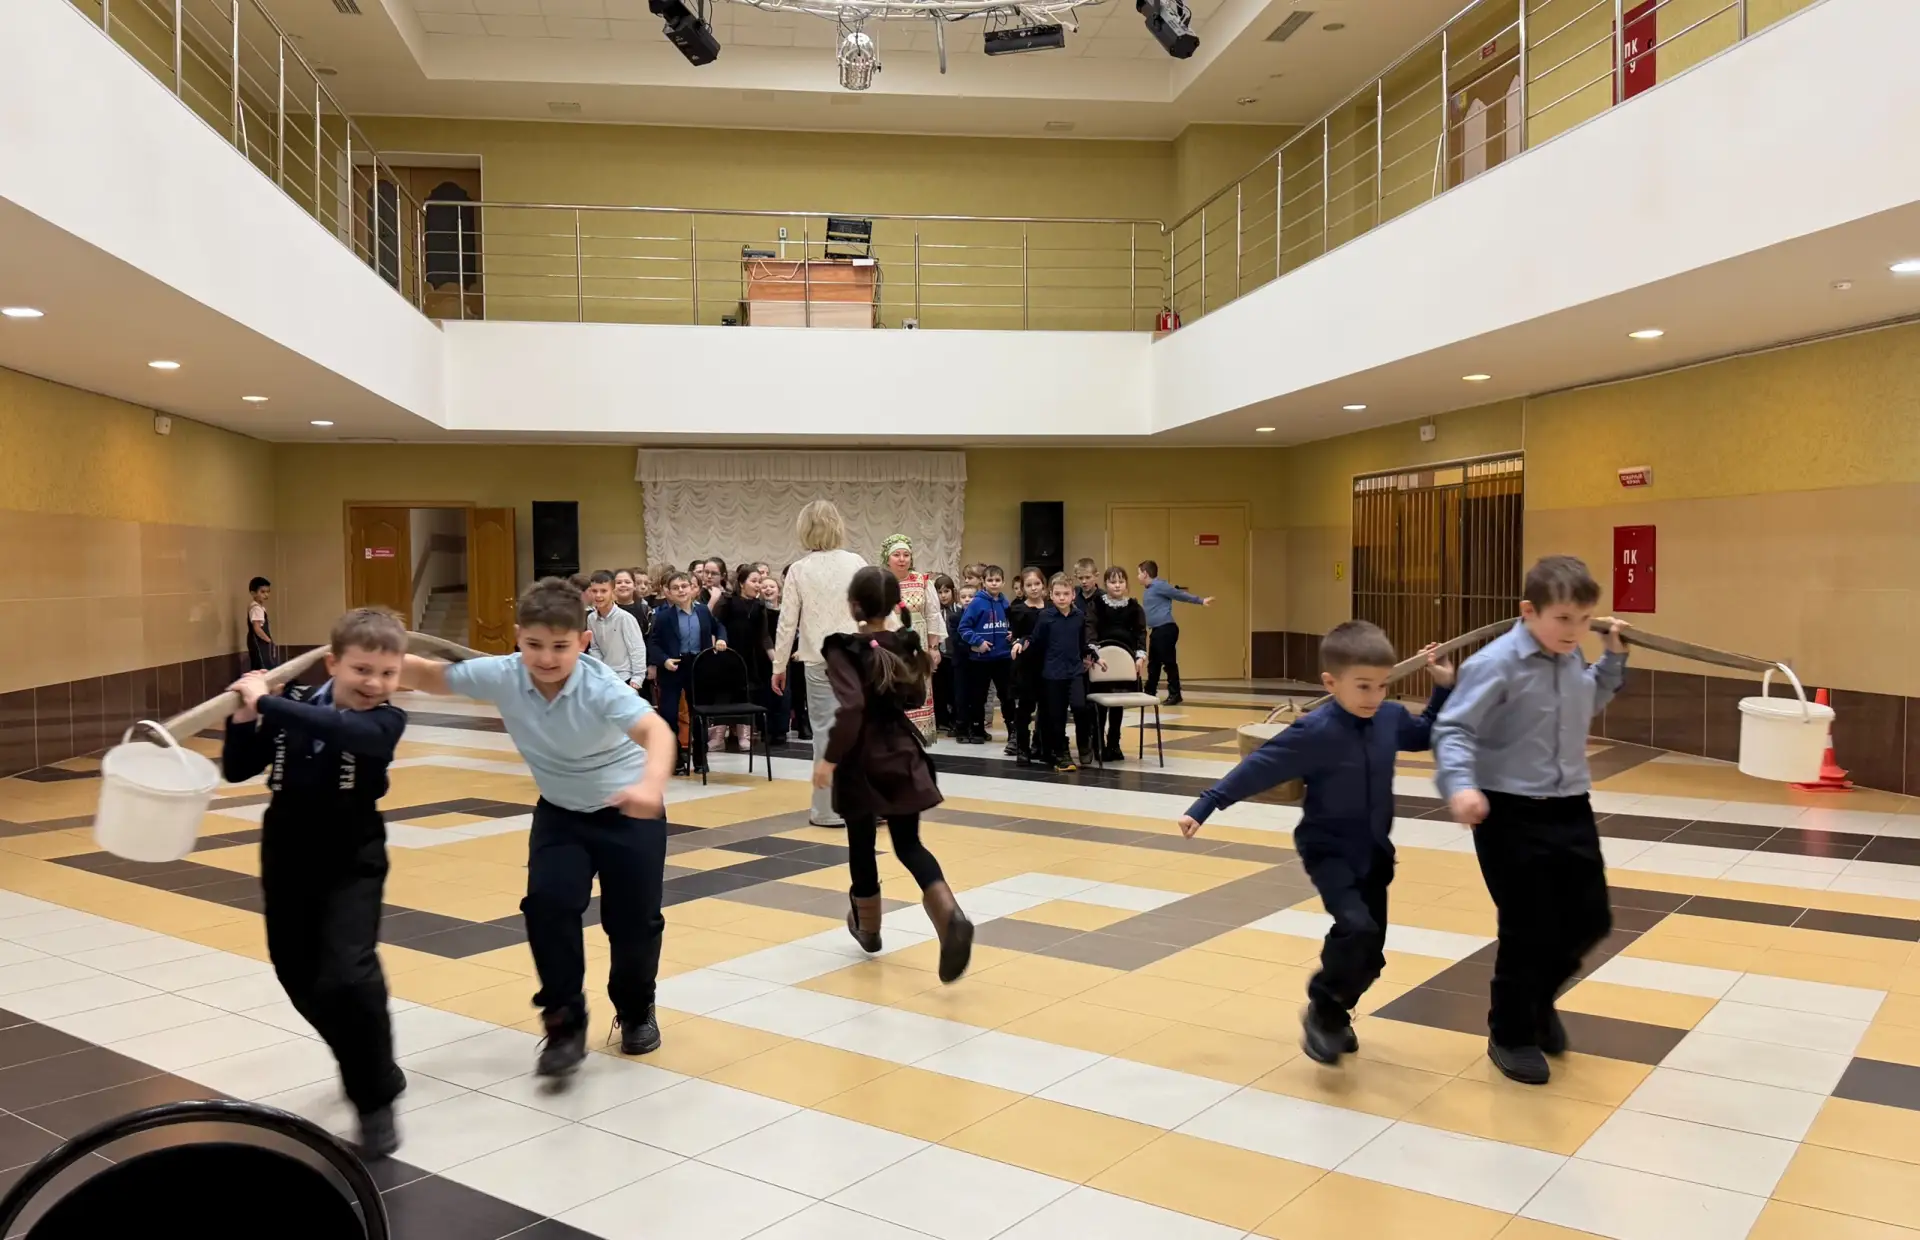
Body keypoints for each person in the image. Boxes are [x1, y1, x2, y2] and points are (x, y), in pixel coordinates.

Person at [402, 578, 676, 1076]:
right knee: (548, 908)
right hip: (561, 814)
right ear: (517, 638)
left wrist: (649, 786)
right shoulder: (504, 674)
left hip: (630, 811)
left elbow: (656, 732)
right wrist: (363, 659)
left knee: (634, 923)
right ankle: (564, 1024)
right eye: (534, 645)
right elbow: (429, 676)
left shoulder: (600, 686)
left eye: (559, 646)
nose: (546, 658)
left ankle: (637, 1009)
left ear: (583, 642)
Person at [1180, 621, 1454, 1064]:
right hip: (1328, 850)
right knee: (1357, 928)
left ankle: (1334, 1012)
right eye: (1363, 686)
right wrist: (1207, 803)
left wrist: (1442, 689)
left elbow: (1423, 734)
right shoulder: (1316, 730)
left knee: (1370, 955)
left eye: (1382, 686)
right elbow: (1260, 766)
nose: (1374, 696)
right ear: (1331, 683)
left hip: (1374, 853)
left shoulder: (1387, 717)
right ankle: (1323, 1009)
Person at [222, 607, 410, 1157]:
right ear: (333, 664)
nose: (374, 683)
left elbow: (344, 730)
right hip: (286, 847)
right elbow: (238, 768)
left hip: (352, 850)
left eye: (388, 673)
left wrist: (267, 700)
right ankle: (369, 1063)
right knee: (298, 974)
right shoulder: (295, 701)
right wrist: (244, 715)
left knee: (350, 974)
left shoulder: (386, 721)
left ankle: (373, 1099)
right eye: (362, 670)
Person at [1434, 555, 1628, 1086]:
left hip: (1569, 804)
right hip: (1507, 809)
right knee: (1528, 926)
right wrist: (1461, 785)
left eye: (1583, 620)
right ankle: (1511, 1032)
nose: (1574, 630)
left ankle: (1536, 1000)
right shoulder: (1494, 664)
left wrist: (1612, 660)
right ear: (1528, 611)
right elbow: (1453, 729)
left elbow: (1587, 700)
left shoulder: (1570, 655)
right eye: (1562, 618)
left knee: (1591, 918)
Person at [817, 567, 973, 983]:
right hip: (902, 752)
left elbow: (852, 708)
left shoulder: (844, 648)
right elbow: (916, 697)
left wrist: (829, 758)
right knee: (908, 844)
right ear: (892, 605)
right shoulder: (906, 642)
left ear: (854, 605)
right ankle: (950, 915)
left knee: (861, 843)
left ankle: (869, 929)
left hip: (861, 759)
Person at [770, 500, 867, 827]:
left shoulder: (799, 569)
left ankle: (826, 809)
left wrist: (779, 666)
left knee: (826, 732)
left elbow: (787, 623)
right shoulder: (856, 562)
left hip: (818, 659)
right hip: (856, 659)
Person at [649, 571, 725, 776]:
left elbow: (719, 627)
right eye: (675, 588)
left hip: (698, 665)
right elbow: (653, 644)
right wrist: (664, 660)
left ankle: (700, 757)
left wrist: (720, 639)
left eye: (684, 586)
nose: (681, 591)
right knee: (669, 714)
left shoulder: (703, 611)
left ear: (692, 589)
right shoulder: (663, 616)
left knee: (698, 713)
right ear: (668, 592)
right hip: (673, 667)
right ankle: (676, 759)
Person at [1023, 574, 1097, 771]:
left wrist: (1093, 656)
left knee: (1080, 706)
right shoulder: (1045, 617)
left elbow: (1082, 643)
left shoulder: (1079, 616)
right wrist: (1022, 643)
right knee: (1057, 714)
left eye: (1066, 594)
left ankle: (1084, 742)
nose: (1062, 597)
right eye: (1057, 594)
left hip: (1074, 671)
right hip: (1053, 673)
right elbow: (1036, 641)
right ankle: (1061, 751)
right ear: (1051, 595)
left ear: (1073, 595)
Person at [880, 534, 947, 743]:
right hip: (889, 643)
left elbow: (933, 615)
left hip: (917, 644)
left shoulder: (922, 581)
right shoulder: (880, 581)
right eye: (897, 555)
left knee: (916, 686)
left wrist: (934, 647)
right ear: (887, 558)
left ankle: (916, 737)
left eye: (906, 555)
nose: (902, 559)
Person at [1085, 565, 1148, 762]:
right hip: (1102, 660)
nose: (1117, 585)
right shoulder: (1097, 605)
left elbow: (1140, 633)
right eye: (1113, 582)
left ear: (1127, 584)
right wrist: (1093, 651)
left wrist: (1140, 656)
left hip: (1124, 661)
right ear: (1106, 584)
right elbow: (1090, 629)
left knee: (1117, 703)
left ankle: (1114, 743)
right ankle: (1098, 743)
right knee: (1101, 704)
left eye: (1121, 581)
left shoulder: (1134, 607)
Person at [1138, 560, 1213, 706]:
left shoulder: (1160, 585)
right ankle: (1150, 692)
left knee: (1168, 662)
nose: (1138, 576)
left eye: (1139, 573)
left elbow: (1179, 594)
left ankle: (1175, 693)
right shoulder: (1149, 589)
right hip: (1157, 630)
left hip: (1166, 629)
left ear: (1145, 573)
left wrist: (1201, 601)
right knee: (1154, 663)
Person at [714, 563, 771, 752]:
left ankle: (744, 734)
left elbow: (764, 635)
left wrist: (775, 658)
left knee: (746, 694)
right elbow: (717, 624)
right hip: (728, 654)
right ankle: (719, 735)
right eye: (754, 581)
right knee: (724, 694)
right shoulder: (728, 601)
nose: (758, 585)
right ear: (741, 583)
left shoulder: (759, 605)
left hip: (750, 656)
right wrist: (719, 641)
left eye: (759, 581)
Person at [956, 566, 1014, 746]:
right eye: (990, 580)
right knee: (978, 697)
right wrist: (978, 642)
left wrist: (1012, 633)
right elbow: (963, 628)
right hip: (980, 660)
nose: (994, 583)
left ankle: (1013, 732)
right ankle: (977, 730)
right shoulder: (976, 603)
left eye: (997, 580)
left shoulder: (1006, 603)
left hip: (1003, 658)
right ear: (984, 582)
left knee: (1007, 696)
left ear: (1003, 582)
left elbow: (1012, 624)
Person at [1004, 568, 1048, 764]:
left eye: (1037, 584)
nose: (1034, 588)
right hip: (1026, 664)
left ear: (1043, 585)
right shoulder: (1017, 610)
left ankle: (1040, 744)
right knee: (1025, 707)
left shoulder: (1051, 609)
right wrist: (1018, 642)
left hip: (1046, 662)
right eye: (1029, 585)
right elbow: (1015, 635)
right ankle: (1022, 747)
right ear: (1022, 588)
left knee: (1045, 707)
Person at [585, 571, 647, 695]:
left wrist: (637, 679)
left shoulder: (625, 618)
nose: (598, 595)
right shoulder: (591, 618)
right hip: (605, 678)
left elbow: (637, 649)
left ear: (613, 593)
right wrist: (600, 672)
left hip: (626, 678)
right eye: (594, 591)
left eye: (603, 591)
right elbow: (595, 648)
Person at [931, 574, 960, 735]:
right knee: (939, 689)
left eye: (946, 591)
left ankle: (956, 720)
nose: (943, 596)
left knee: (955, 689)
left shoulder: (960, 610)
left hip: (955, 655)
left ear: (952, 592)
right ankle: (941, 720)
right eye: (939, 592)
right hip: (940, 656)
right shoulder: (934, 613)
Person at [246, 576, 278, 671]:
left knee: (261, 665)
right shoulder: (256, 608)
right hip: (259, 642)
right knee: (262, 666)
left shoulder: (259, 608)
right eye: (262, 592)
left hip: (258, 641)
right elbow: (257, 628)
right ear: (253, 593)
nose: (266, 595)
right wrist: (268, 640)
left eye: (268, 592)